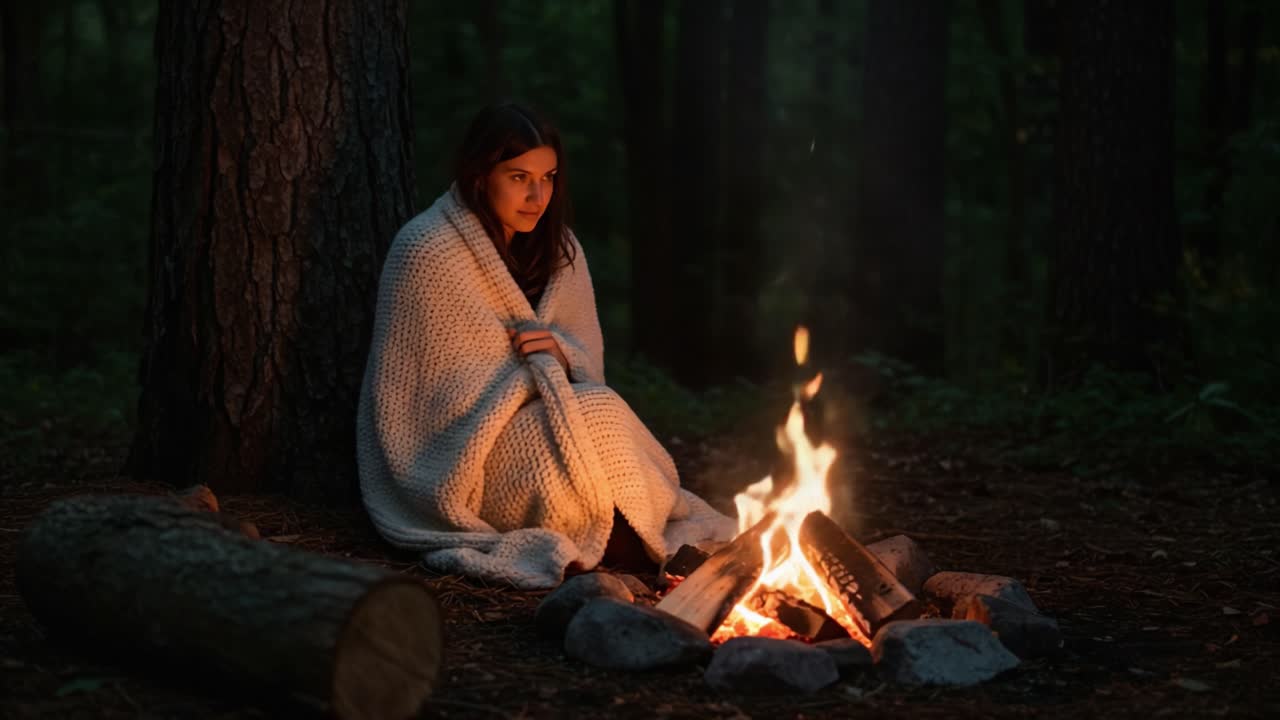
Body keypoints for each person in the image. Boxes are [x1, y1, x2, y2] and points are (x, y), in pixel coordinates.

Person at [356, 103, 734, 589]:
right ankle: (636, 550)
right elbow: (422, 398)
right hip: (471, 449)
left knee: (602, 409)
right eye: (519, 177)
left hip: (562, 410)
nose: (537, 196)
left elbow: (588, 365)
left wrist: (561, 356)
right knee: (556, 458)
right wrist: (529, 378)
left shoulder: (561, 249)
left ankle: (637, 542)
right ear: (479, 175)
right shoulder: (425, 249)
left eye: (548, 178)